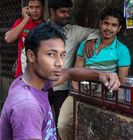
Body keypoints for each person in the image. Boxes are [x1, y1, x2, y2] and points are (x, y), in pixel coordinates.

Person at [0, 22, 120, 140]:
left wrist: (102, 75)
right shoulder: (27, 106)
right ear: (31, 56)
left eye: (62, 55)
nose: (60, 63)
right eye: (51, 54)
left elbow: (69, 73)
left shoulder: (28, 82)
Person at [58, 7, 131, 140]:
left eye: (114, 25)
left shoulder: (122, 50)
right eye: (106, 23)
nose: (109, 28)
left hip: (106, 96)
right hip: (80, 92)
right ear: (100, 24)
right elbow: (75, 74)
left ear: (119, 29)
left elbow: (121, 81)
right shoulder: (86, 45)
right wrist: (78, 92)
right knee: (63, 125)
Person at [47, 0, 100, 128]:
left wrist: (90, 40)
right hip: (42, 86)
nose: (67, 15)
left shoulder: (74, 31)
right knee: (42, 122)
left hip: (62, 87)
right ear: (52, 11)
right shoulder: (40, 31)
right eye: (63, 12)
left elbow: (97, 31)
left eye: (69, 12)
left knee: (62, 124)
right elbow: (27, 55)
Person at [5, 0, 44, 78]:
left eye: (37, 7)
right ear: (26, 9)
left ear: (43, 8)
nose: (34, 10)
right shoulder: (21, 22)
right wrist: (26, 19)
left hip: (39, 73)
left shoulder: (46, 25)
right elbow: (8, 39)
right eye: (31, 7)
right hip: (21, 72)